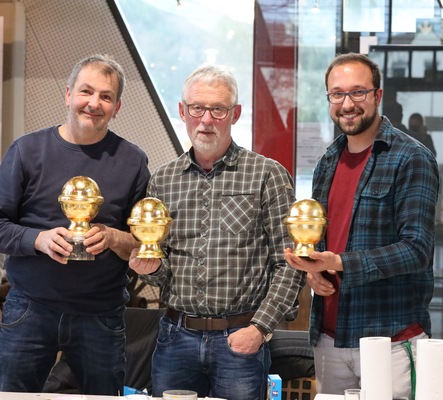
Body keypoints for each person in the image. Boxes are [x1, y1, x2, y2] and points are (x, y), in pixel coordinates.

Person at [129, 65, 305, 400]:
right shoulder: (163, 180)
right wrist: (149, 268)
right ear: (183, 111)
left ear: (235, 114)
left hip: (240, 340)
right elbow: (162, 271)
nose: (206, 120)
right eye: (197, 108)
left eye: (218, 110)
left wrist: (260, 328)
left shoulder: (267, 175)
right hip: (175, 339)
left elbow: (290, 262)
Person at [284, 53, 439, 399]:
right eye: (337, 94)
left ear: (377, 95)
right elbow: (326, 241)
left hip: (390, 341)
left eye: (358, 92)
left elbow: (416, 250)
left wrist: (339, 262)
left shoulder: (411, 158)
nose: (347, 104)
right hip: (328, 338)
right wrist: (314, 271)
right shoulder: (328, 161)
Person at [0, 54, 150, 395]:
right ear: (68, 94)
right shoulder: (26, 151)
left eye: (106, 96)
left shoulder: (133, 161)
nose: (94, 103)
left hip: (101, 314)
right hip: (29, 309)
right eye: (86, 91)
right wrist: (37, 239)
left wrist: (113, 237)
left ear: (117, 107)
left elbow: (144, 243)